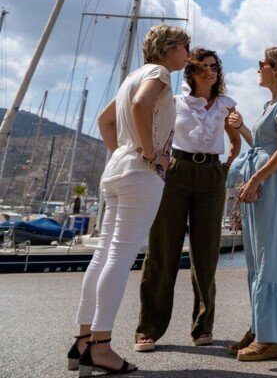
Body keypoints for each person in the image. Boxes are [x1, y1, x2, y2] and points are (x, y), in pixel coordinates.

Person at [69, 25, 190, 375]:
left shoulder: (131, 77)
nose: (188, 52)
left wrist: (125, 150)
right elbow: (142, 104)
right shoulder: (159, 73)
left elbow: (104, 120)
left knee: (104, 254)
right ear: (169, 48)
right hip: (140, 172)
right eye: (185, 46)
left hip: (118, 168)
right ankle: (101, 347)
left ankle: (83, 340)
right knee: (120, 257)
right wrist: (150, 155)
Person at [134, 48, 242, 352]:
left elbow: (236, 143)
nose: (210, 72)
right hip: (176, 171)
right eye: (203, 67)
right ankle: (149, 329)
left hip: (211, 174)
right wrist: (156, 158)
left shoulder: (226, 105)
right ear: (191, 72)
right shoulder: (175, 101)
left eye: (214, 67)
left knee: (206, 253)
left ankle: (203, 327)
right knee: (162, 250)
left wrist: (224, 169)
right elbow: (155, 129)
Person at [225, 46, 277, 362]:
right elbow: (261, 145)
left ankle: (272, 338)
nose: (257, 68)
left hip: (269, 182)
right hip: (259, 180)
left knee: (269, 259)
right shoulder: (271, 104)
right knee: (255, 260)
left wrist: (256, 179)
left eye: (261, 63)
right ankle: (260, 326)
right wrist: (241, 127)